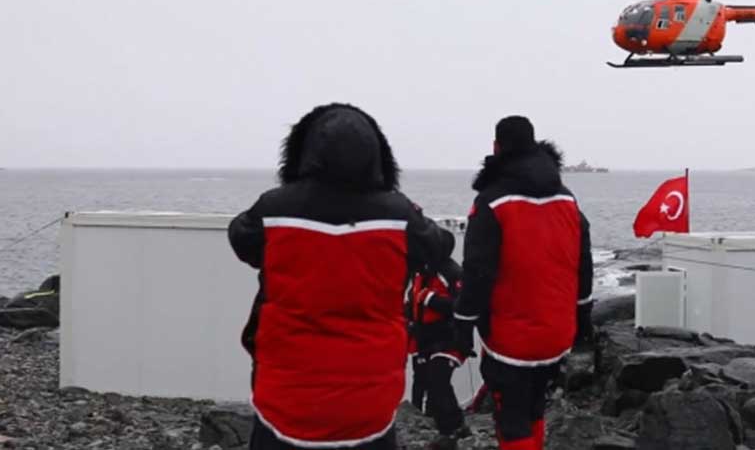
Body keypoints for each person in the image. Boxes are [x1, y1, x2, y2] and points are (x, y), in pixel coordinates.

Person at [228, 103, 451, 450]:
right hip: (370, 403)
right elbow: (440, 247)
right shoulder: (399, 215)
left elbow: (241, 240)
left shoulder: (273, 210)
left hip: (285, 400)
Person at [453, 116, 594, 450]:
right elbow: (583, 261)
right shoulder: (566, 198)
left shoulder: (491, 201)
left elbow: (477, 271)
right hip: (557, 333)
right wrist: (582, 316)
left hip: (511, 337)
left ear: (496, 148)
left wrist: (463, 324)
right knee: (534, 405)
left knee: (511, 416)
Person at [407, 250, 470, 449]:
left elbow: (464, 305)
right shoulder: (419, 275)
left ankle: (453, 427)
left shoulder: (451, 271)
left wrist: (432, 300)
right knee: (424, 382)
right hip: (425, 340)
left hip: (451, 338)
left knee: (438, 379)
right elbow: (412, 304)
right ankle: (429, 421)